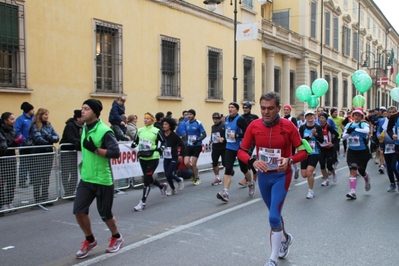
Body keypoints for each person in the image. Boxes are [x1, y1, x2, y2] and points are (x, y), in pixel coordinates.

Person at [237, 92, 308, 266]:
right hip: (264, 176)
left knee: (273, 217)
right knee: (273, 215)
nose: (266, 112)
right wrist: (252, 161)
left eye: (270, 108)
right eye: (263, 108)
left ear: (278, 108)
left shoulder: (289, 126)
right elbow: (241, 152)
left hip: (282, 176)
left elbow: (304, 152)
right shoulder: (253, 126)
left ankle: (272, 259)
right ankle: (285, 237)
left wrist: (289, 159)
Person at [73, 99, 124, 258]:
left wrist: (95, 149)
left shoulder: (104, 131)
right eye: (82, 108)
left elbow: (115, 153)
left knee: (105, 215)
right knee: (79, 211)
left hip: (102, 179)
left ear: (94, 112)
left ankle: (117, 237)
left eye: (86, 109)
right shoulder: (84, 129)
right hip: (87, 179)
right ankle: (90, 240)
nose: (82, 111)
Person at [131, 112, 168, 211]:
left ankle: (142, 202)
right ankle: (161, 186)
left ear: (152, 120)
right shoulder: (139, 130)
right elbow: (136, 140)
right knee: (148, 177)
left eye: (148, 119)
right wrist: (134, 144)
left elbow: (164, 141)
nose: (145, 120)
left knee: (146, 179)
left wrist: (161, 148)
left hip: (153, 157)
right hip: (143, 157)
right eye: (144, 118)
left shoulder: (156, 131)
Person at [216, 102, 252, 202]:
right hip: (229, 147)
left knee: (244, 169)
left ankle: (250, 183)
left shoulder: (240, 120)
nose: (230, 109)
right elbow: (226, 131)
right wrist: (223, 138)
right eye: (229, 107)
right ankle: (225, 192)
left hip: (240, 148)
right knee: (227, 169)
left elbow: (248, 133)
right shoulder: (227, 118)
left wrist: (236, 136)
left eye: (232, 107)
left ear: (236, 109)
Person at [30, 108, 59, 206]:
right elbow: (38, 139)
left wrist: (48, 137)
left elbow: (56, 137)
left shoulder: (49, 125)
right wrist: (49, 141)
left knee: (46, 176)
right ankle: (37, 199)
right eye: (45, 114)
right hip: (39, 153)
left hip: (48, 154)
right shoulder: (35, 126)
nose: (47, 116)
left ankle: (45, 197)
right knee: (38, 177)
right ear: (40, 115)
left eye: (47, 114)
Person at [341, 108, 371, 200]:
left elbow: (366, 131)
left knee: (361, 171)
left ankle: (366, 179)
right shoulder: (349, 125)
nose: (357, 117)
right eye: (355, 115)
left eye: (359, 115)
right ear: (352, 116)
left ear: (361, 116)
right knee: (353, 170)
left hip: (363, 152)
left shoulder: (363, 124)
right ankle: (352, 192)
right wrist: (349, 132)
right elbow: (344, 137)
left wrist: (355, 129)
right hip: (352, 151)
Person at [0, 112, 23, 212]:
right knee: (2, 182)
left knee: (11, 181)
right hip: (2, 158)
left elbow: (12, 143)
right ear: (5, 121)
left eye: (14, 119)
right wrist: (13, 142)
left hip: (11, 158)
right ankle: (2, 204)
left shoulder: (13, 130)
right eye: (11, 119)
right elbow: (4, 145)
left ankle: (9, 202)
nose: (14, 121)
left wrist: (17, 142)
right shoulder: (1, 130)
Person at [299, 110, 323, 199]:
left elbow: (321, 140)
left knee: (309, 172)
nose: (310, 117)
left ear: (314, 117)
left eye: (311, 115)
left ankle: (310, 191)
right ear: (305, 118)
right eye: (308, 116)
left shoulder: (318, 127)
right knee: (304, 174)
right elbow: (300, 140)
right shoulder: (302, 128)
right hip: (304, 152)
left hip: (314, 152)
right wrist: (309, 136)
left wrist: (315, 134)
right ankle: (311, 174)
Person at [59, 109, 84, 197]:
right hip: (67, 151)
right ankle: (67, 191)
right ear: (78, 118)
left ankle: (71, 191)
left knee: (74, 172)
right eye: (82, 116)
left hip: (75, 151)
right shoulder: (70, 126)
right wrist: (82, 141)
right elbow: (71, 138)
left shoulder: (83, 126)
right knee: (66, 172)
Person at [161, 117, 185, 195]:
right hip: (166, 157)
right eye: (163, 124)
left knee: (169, 173)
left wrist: (181, 155)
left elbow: (182, 145)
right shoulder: (161, 134)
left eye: (166, 124)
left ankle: (179, 180)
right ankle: (173, 189)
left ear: (170, 126)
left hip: (174, 156)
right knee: (167, 175)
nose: (164, 126)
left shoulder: (174, 135)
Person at [182, 109, 207, 185]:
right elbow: (186, 134)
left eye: (190, 114)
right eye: (187, 114)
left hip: (197, 145)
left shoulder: (198, 123)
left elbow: (204, 134)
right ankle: (194, 172)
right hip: (189, 145)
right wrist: (185, 142)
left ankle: (197, 178)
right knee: (186, 163)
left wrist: (198, 139)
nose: (189, 116)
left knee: (193, 163)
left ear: (194, 115)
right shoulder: (186, 123)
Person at [377, 106, 399, 192]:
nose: (391, 114)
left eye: (393, 112)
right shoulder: (382, 121)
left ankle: (398, 180)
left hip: (395, 145)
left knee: (394, 166)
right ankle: (392, 183)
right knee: (388, 166)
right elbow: (379, 131)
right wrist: (379, 135)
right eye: (389, 112)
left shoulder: (396, 118)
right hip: (386, 145)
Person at [238, 101, 259, 186]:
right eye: (244, 108)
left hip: (253, 140)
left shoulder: (254, 117)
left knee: (247, 157)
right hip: (244, 140)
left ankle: (246, 179)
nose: (245, 109)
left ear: (250, 108)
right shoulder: (240, 118)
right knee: (245, 158)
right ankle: (254, 172)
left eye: (247, 108)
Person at [14, 101, 34, 188]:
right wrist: (23, 139)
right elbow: (17, 130)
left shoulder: (34, 118)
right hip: (25, 144)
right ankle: (22, 181)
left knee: (33, 163)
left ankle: (33, 180)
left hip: (34, 144)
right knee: (24, 164)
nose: (34, 111)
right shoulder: (20, 119)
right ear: (28, 110)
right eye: (32, 109)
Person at [317, 112, 339, 186]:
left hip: (329, 148)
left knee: (329, 166)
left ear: (326, 119)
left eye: (323, 118)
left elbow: (337, 134)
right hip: (322, 148)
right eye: (320, 118)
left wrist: (331, 142)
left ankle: (334, 173)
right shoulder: (318, 127)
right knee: (322, 164)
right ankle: (326, 179)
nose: (321, 119)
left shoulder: (328, 127)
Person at [283, 104, 300, 180]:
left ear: (290, 111)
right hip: (283, 140)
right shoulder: (282, 118)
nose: (286, 111)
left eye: (287, 110)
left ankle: (296, 169)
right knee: (284, 156)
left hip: (291, 141)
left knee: (291, 156)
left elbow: (295, 129)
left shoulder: (292, 119)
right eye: (285, 110)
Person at [209, 112, 226, 185]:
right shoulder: (213, 127)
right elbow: (213, 134)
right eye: (214, 119)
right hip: (215, 147)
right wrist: (211, 139)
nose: (215, 120)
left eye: (217, 119)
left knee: (225, 163)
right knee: (214, 162)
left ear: (220, 119)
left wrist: (223, 139)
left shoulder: (223, 126)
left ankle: (227, 176)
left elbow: (227, 136)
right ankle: (217, 177)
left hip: (223, 147)